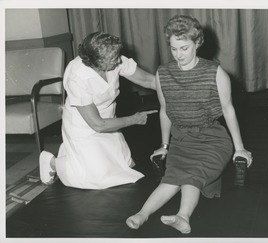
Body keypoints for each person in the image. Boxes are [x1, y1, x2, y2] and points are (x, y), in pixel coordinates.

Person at [126, 15, 253, 234]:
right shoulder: (163, 73)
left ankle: (183, 216)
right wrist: (164, 145)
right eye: (174, 49)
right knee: (171, 178)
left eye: (184, 48)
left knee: (191, 175)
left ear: (197, 43)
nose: (178, 55)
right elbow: (165, 111)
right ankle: (142, 214)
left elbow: (228, 110)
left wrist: (240, 148)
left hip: (212, 140)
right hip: (182, 139)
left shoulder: (215, 72)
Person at [39, 32, 157, 190]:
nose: (118, 60)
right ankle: (51, 162)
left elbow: (148, 80)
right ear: (97, 63)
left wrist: (180, 87)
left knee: (123, 167)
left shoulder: (113, 57)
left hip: (109, 119)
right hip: (85, 124)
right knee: (92, 179)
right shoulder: (76, 77)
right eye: (113, 59)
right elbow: (98, 125)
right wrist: (134, 119)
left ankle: (78, 158)